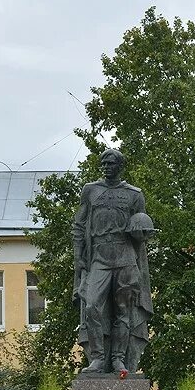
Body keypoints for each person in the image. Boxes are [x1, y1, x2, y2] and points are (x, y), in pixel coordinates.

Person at [72, 149, 154, 374]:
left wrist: (142, 234)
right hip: (99, 255)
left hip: (125, 255)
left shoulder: (134, 194)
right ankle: (98, 358)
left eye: (111, 163)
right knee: (92, 306)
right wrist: (79, 257)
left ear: (120, 166)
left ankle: (118, 358)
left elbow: (141, 227)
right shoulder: (90, 190)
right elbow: (79, 225)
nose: (106, 167)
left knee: (123, 310)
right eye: (104, 164)